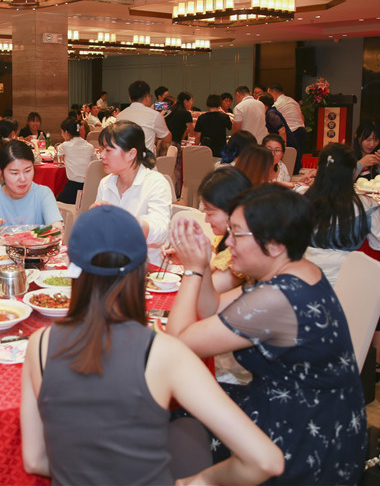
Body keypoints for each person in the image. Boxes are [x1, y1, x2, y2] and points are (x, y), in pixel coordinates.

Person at [20, 205, 283, 485]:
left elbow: (34, 460)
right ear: (143, 270)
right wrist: (199, 482)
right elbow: (266, 461)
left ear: (72, 268)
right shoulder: (165, 352)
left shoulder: (39, 344)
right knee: (190, 431)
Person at [167, 184, 367, 484]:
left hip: (303, 442)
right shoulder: (297, 270)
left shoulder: (277, 299)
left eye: (236, 234)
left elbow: (178, 343)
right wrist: (204, 266)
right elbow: (212, 309)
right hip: (309, 413)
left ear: (274, 245)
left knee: (169, 417)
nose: (228, 242)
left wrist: (192, 270)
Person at [304, 143, 380, 374]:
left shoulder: (299, 198)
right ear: (352, 173)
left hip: (301, 280)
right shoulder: (364, 205)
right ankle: (378, 360)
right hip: (346, 284)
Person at [94, 120, 172, 266]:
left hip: (147, 267)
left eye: (108, 150)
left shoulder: (156, 183)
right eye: (102, 149)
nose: (102, 155)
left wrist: (124, 220)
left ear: (131, 154)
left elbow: (160, 231)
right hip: (113, 264)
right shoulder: (106, 183)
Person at [0, 140, 62, 235]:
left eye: (27, 171)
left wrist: (55, 231)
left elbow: (58, 231)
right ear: (0, 172)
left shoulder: (43, 194)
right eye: (14, 173)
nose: (22, 179)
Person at [193, 166, 254, 295]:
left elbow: (202, 296)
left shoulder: (239, 252)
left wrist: (192, 267)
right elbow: (214, 265)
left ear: (233, 211)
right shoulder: (225, 239)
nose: (206, 220)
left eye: (210, 213)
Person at [116, 80, 171, 155]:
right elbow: (167, 139)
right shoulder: (154, 115)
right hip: (146, 160)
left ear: (130, 98)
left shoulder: (120, 116)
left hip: (125, 159)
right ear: (147, 97)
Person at [55, 117, 95, 205]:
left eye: (62, 132)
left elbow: (56, 154)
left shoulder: (65, 145)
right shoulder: (90, 146)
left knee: (56, 199)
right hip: (87, 189)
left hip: (72, 189)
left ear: (66, 132)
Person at [268, 84, 306, 173]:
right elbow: (302, 117)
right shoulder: (293, 101)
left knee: (290, 161)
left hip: (293, 132)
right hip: (302, 130)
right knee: (297, 159)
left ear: (273, 93)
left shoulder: (277, 104)